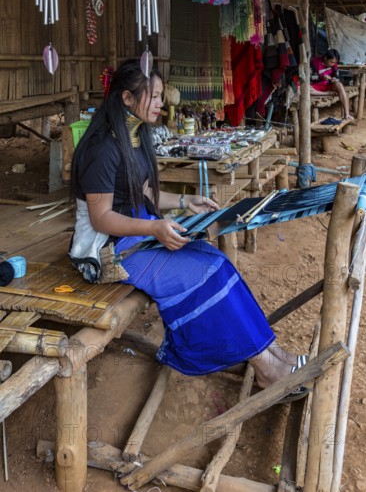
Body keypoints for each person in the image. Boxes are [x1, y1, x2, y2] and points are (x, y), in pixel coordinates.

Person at [70, 59, 307, 397]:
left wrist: (186, 203)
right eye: (153, 97)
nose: (160, 104)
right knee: (205, 273)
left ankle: (272, 354)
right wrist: (155, 230)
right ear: (126, 99)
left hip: (137, 231)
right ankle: (267, 369)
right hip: (109, 249)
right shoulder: (101, 149)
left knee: (219, 264)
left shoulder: (134, 138)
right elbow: (101, 218)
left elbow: (146, 193)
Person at [310, 48, 353, 120]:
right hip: (317, 85)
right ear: (325, 58)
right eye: (331, 62)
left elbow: (336, 75)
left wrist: (334, 79)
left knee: (339, 85)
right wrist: (322, 77)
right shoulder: (314, 62)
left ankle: (347, 114)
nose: (332, 64)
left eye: (334, 63)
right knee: (303, 89)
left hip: (328, 85)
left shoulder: (334, 65)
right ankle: (328, 93)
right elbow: (310, 77)